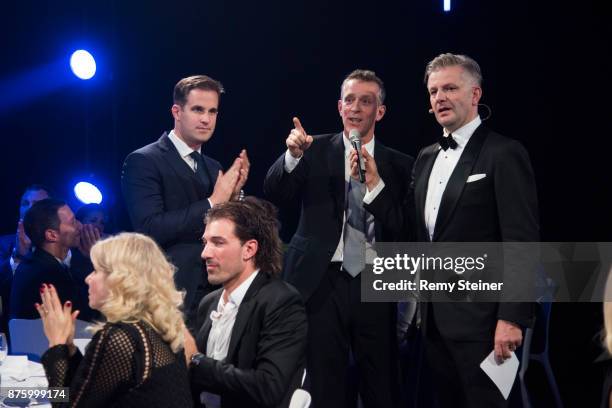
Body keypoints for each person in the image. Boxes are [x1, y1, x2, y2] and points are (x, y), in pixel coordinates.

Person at [366, 53, 539, 407]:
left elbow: (521, 241)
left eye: (449, 88)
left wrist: (511, 317)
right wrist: (372, 184)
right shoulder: (427, 156)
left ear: (475, 94)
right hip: (431, 325)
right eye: (433, 91)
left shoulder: (504, 153)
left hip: (485, 325)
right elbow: (409, 230)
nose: (440, 98)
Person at [264, 69, 413, 407]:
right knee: (324, 383)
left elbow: (404, 228)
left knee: (380, 383)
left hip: (375, 283)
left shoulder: (401, 165)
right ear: (339, 107)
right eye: (350, 100)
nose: (356, 108)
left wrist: (375, 185)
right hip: (320, 282)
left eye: (366, 101)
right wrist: (292, 156)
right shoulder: (312, 149)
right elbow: (275, 191)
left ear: (380, 111)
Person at [121, 75, 250, 312]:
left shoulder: (213, 167)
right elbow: (150, 228)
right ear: (177, 112)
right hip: (169, 294)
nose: (205, 119)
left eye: (212, 112)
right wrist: (213, 202)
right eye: (198, 109)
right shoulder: (143, 161)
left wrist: (232, 199)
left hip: (215, 291)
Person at [37, 232, 193, 407]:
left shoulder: (120, 337)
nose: (87, 278)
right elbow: (85, 390)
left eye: (95, 271)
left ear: (120, 280)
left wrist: (56, 344)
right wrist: (69, 348)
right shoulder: (159, 328)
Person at [185, 197, 307, 408]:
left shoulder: (281, 302)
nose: (205, 253)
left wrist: (196, 361)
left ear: (249, 249)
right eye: (205, 243)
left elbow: (267, 388)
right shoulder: (208, 303)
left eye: (218, 242)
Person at [10, 198, 97, 321]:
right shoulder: (50, 273)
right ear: (52, 235)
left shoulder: (30, 265)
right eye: (73, 222)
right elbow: (88, 316)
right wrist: (94, 260)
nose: (80, 225)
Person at [1, 184, 51, 333]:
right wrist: (18, 256)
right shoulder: (3, 244)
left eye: (36, 204)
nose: (29, 208)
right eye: (25, 203)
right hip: (12, 328)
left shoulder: (63, 245)